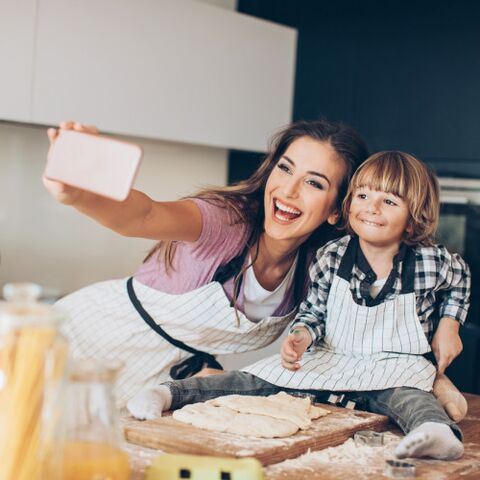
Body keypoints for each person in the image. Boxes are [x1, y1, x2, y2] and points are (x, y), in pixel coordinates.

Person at [129, 151, 470, 461]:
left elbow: (460, 282)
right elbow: (315, 311)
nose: (372, 207)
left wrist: (449, 324)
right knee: (251, 380)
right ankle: (169, 394)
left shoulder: (432, 262)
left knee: (412, 400)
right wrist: (303, 334)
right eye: (363, 196)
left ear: (413, 219)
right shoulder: (332, 257)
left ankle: (438, 434)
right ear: (349, 207)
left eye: (389, 201)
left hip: (396, 366)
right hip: (332, 358)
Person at [43, 119, 369, 406]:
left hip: (157, 377)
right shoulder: (225, 221)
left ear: (336, 210)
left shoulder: (314, 271)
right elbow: (143, 215)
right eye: (284, 168)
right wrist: (78, 195)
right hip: (81, 343)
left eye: (314, 183)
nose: (289, 189)